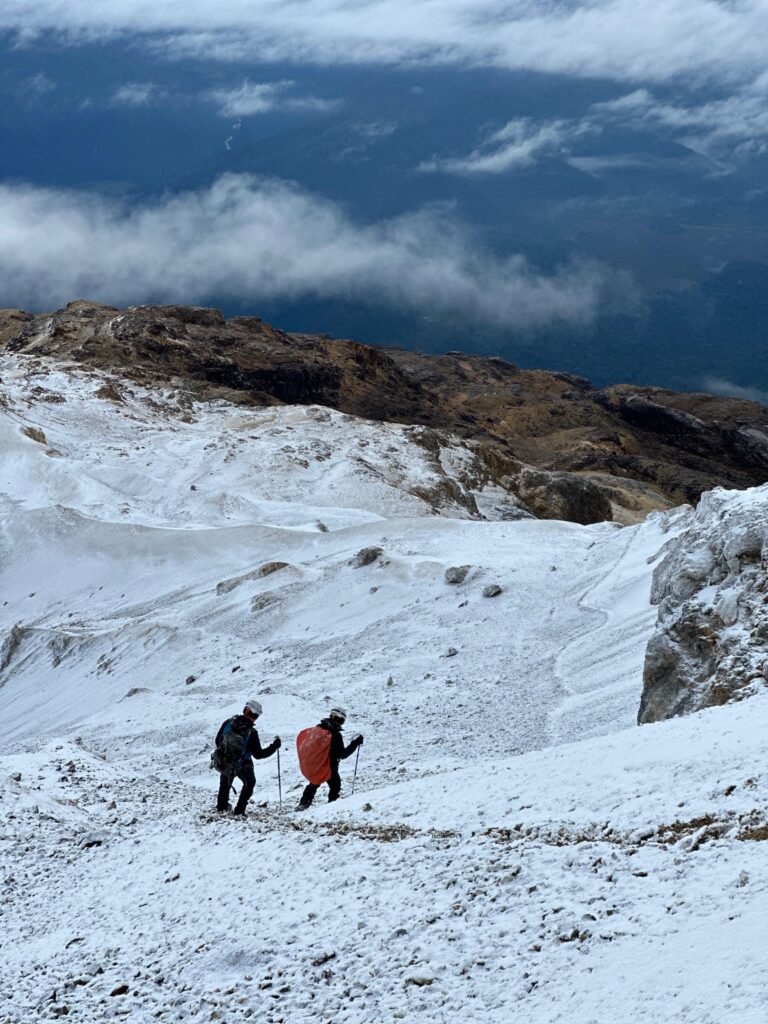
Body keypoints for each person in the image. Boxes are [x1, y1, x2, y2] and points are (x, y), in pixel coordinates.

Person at [213, 699, 281, 816]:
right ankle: (239, 811)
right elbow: (258, 754)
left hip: (224, 760)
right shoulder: (251, 732)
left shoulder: (228, 722)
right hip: (243, 764)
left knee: (225, 784)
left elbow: (217, 740)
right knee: (249, 783)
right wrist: (274, 746)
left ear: (245, 710)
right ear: (256, 717)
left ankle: (222, 807)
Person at [296, 706, 363, 810]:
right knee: (335, 786)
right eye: (343, 721)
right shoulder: (335, 735)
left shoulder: (318, 728)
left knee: (314, 783)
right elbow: (343, 754)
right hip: (330, 767)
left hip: (319, 765)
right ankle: (332, 807)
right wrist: (355, 743)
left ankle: (303, 804)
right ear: (340, 719)